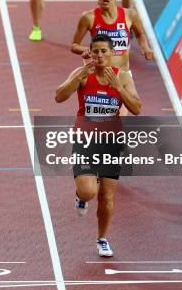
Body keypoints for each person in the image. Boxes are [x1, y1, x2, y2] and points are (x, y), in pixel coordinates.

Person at [55, 34, 141, 257]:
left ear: (112, 54)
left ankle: (102, 238)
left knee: (107, 196)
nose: (100, 55)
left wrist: (119, 89)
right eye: (96, 51)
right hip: (85, 141)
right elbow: (59, 96)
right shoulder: (83, 74)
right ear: (91, 53)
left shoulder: (122, 78)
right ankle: (80, 196)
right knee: (89, 192)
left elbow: (137, 108)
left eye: (105, 51)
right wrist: (79, 76)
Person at [71, 0, 153, 75]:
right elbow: (74, 45)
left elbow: (140, 34)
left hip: (123, 77)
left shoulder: (130, 15)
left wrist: (145, 46)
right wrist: (88, 50)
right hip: (98, 76)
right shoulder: (88, 18)